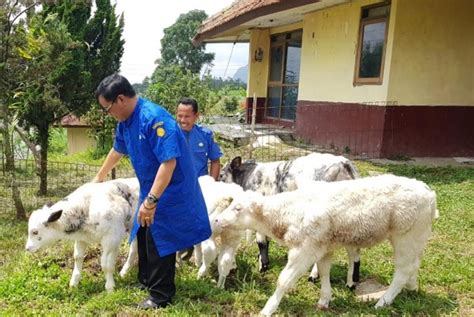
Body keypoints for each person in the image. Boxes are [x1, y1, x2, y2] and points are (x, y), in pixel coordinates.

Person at [92, 74, 211, 309]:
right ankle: (147, 280)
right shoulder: (125, 121)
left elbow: (169, 163)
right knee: (144, 232)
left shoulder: (154, 119)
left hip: (171, 189)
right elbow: (118, 150)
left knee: (160, 239)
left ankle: (160, 295)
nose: (107, 114)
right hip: (151, 186)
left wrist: (151, 201)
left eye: (107, 109)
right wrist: (98, 177)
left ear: (121, 99)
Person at [176, 97, 222, 180]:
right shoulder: (169, 135)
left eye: (187, 116)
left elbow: (215, 161)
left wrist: (211, 184)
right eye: (180, 116)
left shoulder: (205, 135)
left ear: (196, 116)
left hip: (199, 185)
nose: (182, 120)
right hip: (176, 186)